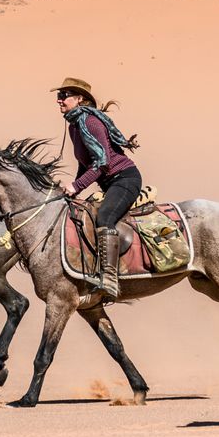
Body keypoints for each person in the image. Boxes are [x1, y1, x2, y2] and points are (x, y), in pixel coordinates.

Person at [52, 77, 141, 302]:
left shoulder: (89, 122)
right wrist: (74, 190)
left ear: (79, 98)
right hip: (109, 182)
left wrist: (76, 186)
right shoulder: (75, 125)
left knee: (104, 218)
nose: (59, 100)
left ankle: (109, 279)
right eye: (58, 96)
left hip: (124, 179)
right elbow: (85, 164)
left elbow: (102, 163)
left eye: (64, 96)